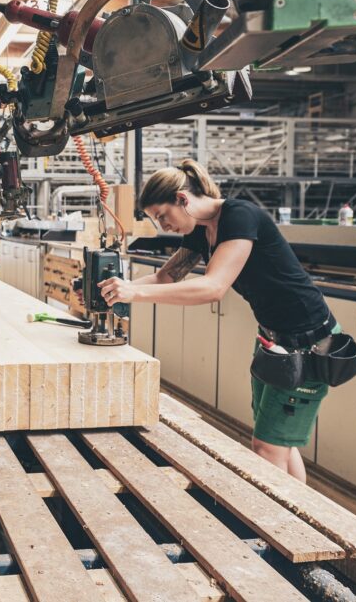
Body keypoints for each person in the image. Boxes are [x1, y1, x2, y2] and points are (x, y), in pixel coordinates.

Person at [96, 159, 339, 481]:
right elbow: (167, 276)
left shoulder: (240, 215)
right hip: (274, 341)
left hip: (307, 344)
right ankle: (304, 515)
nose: (162, 226)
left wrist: (133, 295)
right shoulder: (201, 230)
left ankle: (283, 525)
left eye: (163, 216)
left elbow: (213, 288)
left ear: (182, 199)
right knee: (278, 443)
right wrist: (113, 290)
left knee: (267, 449)